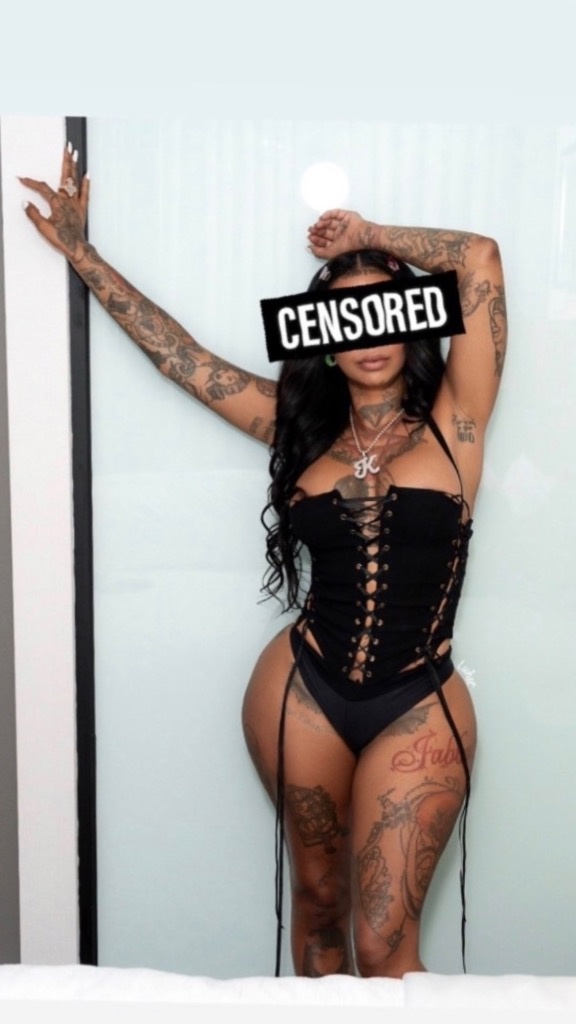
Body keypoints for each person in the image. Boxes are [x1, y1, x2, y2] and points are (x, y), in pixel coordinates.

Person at [21, 143, 506, 979]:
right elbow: (182, 361)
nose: (370, 335)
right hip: (301, 692)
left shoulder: (457, 420)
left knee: (385, 948)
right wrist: (82, 254)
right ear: (323, 341)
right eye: (347, 319)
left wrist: (366, 235)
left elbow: (481, 259)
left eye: (385, 311)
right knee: (317, 903)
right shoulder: (296, 426)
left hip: (419, 699)